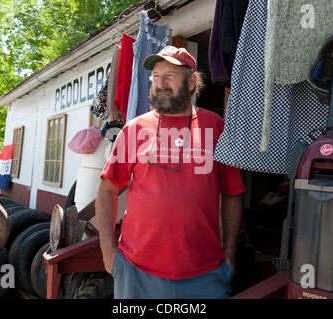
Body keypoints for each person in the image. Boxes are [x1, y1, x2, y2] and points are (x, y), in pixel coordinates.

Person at [96, 46, 245, 299]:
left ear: (192, 82)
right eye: (155, 77)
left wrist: (229, 255)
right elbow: (107, 187)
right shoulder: (134, 129)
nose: (160, 84)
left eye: (170, 76)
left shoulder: (215, 126)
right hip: (136, 273)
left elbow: (232, 193)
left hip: (205, 275)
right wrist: (108, 251)